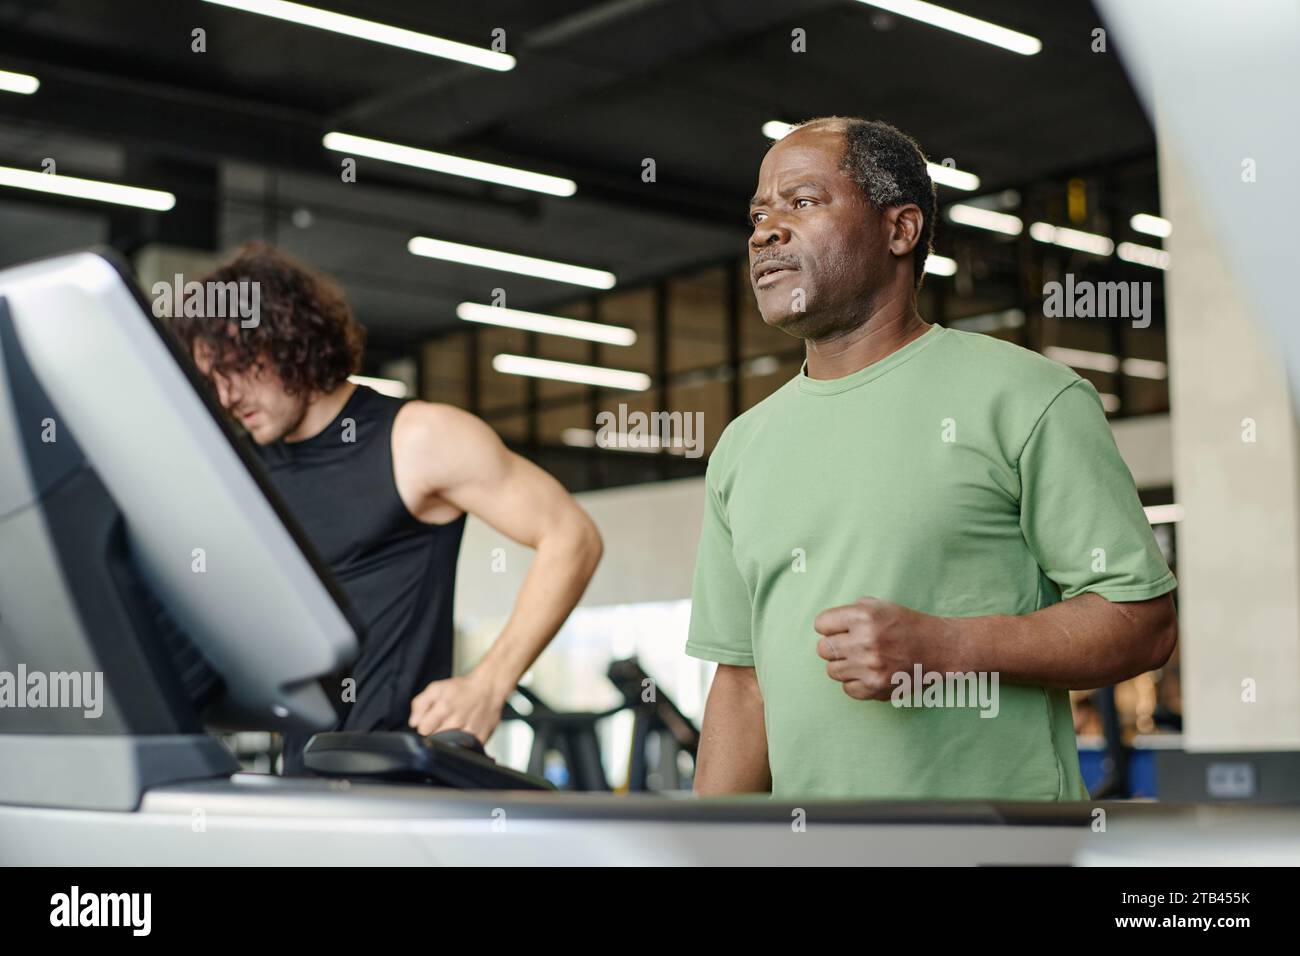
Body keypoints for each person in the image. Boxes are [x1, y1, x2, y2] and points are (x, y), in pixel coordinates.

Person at [687, 117, 1178, 800]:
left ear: (900, 230)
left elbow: (1142, 622)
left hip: (997, 848)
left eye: (802, 202)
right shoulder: (743, 446)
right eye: (760, 213)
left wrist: (945, 650)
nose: (766, 231)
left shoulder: (1030, 397)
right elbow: (742, 685)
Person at [171, 242, 602, 772]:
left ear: (291, 340)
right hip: (302, 784)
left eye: (241, 367)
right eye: (213, 378)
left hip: (402, 775)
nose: (228, 396)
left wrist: (489, 683)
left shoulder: (418, 438)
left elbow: (571, 536)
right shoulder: (249, 468)